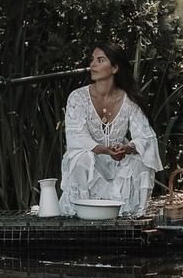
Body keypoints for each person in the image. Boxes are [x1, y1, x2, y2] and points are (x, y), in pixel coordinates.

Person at [58, 43, 162, 217]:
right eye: (92, 60)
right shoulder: (78, 97)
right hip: (90, 162)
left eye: (100, 60)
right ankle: (80, 211)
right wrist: (105, 150)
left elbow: (146, 137)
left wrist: (126, 148)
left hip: (118, 163)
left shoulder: (128, 100)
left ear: (114, 68)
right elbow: (76, 137)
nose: (93, 65)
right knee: (82, 158)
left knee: (141, 160)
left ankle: (130, 213)